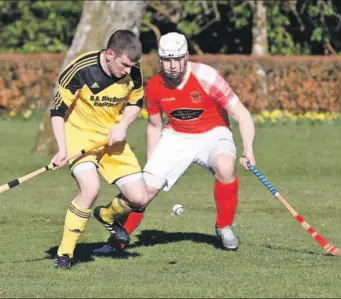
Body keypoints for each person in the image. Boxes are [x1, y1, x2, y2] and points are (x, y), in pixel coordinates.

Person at [93, 32, 256, 254]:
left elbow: (242, 115)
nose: (172, 65)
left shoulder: (208, 77)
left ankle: (224, 226)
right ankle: (117, 242)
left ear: (186, 56)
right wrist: (151, 164)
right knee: (144, 191)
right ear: (160, 60)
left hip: (214, 133)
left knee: (225, 165)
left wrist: (248, 150)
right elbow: (154, 125)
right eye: (166, 60)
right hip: (177, 136)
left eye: (177, 59)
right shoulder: (154, 87)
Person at [50, 29, 149, 269]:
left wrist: (123, 124)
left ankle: (107, 215)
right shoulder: (81, 69)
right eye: (124, 64)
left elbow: (136, 103)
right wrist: (62, 149)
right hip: (80, 138)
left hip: (112, 139)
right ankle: (65, 254)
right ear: (110, 53)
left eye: (132, 65)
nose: (127, 70)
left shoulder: (133, 72)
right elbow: (57, 111)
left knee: (140, 197)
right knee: (90, 188)